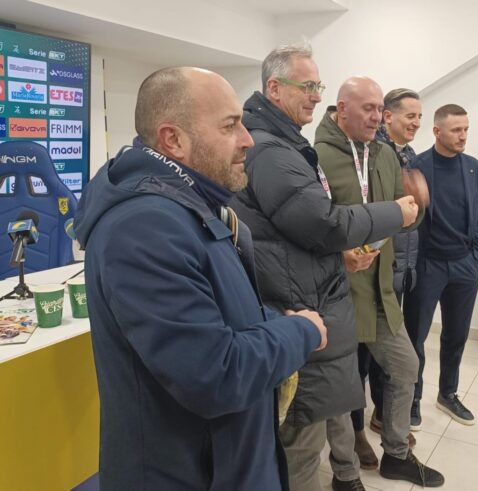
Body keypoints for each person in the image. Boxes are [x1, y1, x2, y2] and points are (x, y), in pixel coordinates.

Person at [74, 67, 327, 491]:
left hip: (226, 465)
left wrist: (277, 319)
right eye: (230, 126)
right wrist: (300, 333)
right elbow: (215, 375)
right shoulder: (144, 226)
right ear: (173, 140)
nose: (247, 139)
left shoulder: (189, 205)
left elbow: (218, 310)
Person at [229, 46, 417, 491]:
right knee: (303, 444)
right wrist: (395, 213)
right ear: (274, 88)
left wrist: (341, 254)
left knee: (318, 420)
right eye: (308, 86)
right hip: (302, 308)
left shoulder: (299, 146)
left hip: (334, 294)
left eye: (319, 86)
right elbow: (323, 223)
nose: (316, 95)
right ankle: (346, 473)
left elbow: (294, 232)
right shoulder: (276, 151)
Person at [316, 76, 445, 488]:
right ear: (342, 108)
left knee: (406, 366)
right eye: (368, 108)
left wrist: (416, 207)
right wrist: (340, 254)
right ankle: (345, 473)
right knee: (341, 389)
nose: (377, 117)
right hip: (337, 294)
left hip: (380, 292)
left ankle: (396, 454)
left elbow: (400, 218)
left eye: (380, 110)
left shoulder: (385, 154)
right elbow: (309, 227)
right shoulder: (316, 156)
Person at [404, 104, 478, 428]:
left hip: (464, 265)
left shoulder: (474, 168)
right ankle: (413, 398)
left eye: (466, 129)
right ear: (437, 131)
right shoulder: (417, 167)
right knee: (416, 337)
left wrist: (475, 255)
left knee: (456, 335)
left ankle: (447, 393)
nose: (463, 136)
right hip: (428, 265)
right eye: (456, 130)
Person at [354, 88, 422, 466]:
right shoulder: (367, 155)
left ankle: (383, 421)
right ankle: (356, 434)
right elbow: (370, 216)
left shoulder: (408, 156)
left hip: (397, 272)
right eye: (410, 115)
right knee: (359, 365)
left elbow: (409, 216)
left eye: (419, 117)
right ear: (388, 117)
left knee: (396, 362)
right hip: (363, 275)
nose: (416, 123)